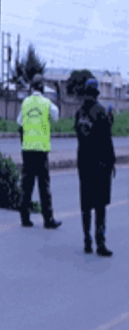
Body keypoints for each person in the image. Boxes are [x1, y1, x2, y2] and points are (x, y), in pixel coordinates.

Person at [74, 78, 116, 256]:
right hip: (99, 164)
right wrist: (111, 162)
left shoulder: (78, 113)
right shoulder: (100, 112)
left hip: (84, 163)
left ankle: (87, 241)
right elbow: (106, 140)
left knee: (86, 204)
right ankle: (100, 242)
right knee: (100, 205)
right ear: (97, 93)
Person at [16, 74, 62, 229]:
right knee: (44, 186)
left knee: (26, 185)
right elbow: (56, 116)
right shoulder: (47, 103)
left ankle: (25, 218)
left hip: (27, 149)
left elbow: (19, 122)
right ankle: (48, 219)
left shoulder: (25, 103)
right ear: (42, 87)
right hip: (41, 151)